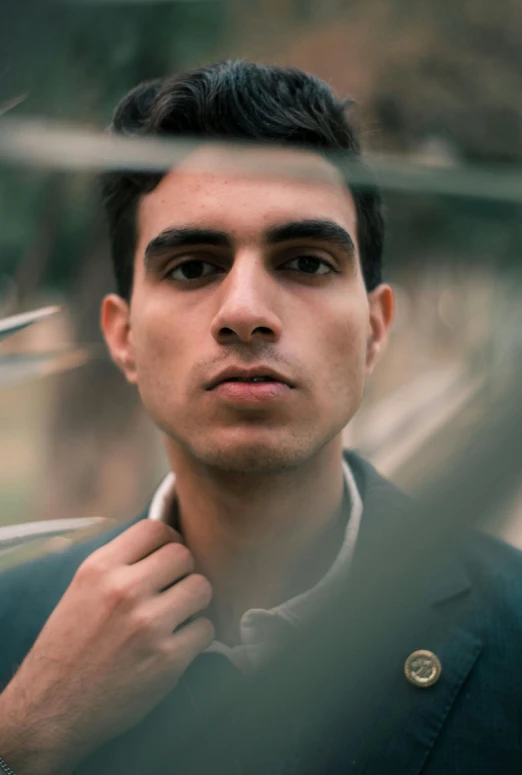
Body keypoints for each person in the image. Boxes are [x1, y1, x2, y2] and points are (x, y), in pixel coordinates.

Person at [0, 60, 521, 775]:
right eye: (191, 266)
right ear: (123, 337)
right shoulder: (12, 631)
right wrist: (27, 733)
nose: (245, 311)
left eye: (305, 262)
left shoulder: (514, 624)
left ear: (375, 328)